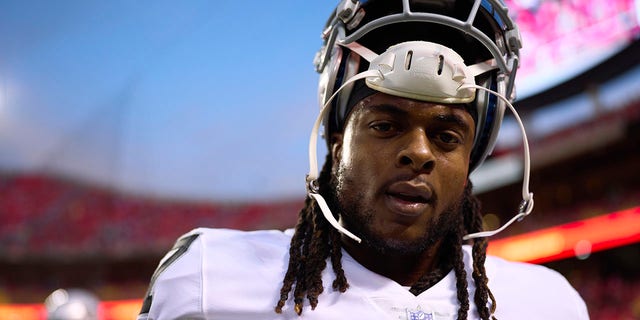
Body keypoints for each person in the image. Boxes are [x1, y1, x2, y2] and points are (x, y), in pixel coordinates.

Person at [137, 0, 589, 319]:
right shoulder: (208, 279)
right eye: (386, 126)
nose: (418, 153)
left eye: (447, 136)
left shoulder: (550, 305)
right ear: (336, 138)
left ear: (473, 156)